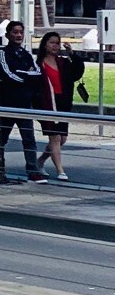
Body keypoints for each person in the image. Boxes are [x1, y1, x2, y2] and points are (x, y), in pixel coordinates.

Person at [0, 21, 49, 182]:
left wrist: (25, 75)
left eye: (21, 32)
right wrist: (26, 75)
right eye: (15, 32)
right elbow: (8, 74)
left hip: (25, 104)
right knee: (1, 137)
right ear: (7, 35)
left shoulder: (26, 54)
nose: (19, 35)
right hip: (8, 103)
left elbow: (38, 73)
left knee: (29, 139)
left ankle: (33, 169)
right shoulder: (3, 53)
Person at [35, 31, 84, 182]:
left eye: (57, 43)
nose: (55, 46)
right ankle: (60, 170)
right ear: (44, 44)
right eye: (52, 42)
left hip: (63, 103)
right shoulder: (39, 64)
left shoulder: (63, 62)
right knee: (55, 137)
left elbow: (77, 73)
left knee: (62, 139)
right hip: (47, 103)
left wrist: (72, 54)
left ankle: (41, 161)